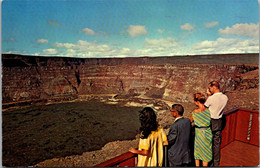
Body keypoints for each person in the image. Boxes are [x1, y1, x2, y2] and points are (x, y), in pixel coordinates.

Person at [205, 81, 228, 166]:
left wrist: (208, 96)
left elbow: (205, 107)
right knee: (217, 144)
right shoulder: (225, 97)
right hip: (219, 122)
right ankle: (216, 163)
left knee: (208, 143)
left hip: (211, 121)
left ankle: (209, 162)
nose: (209, 90)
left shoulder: (211, 98)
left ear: (214, 87)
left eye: (210, 88)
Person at [190, 93, 212, 167]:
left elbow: (189, 122)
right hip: (208, 132)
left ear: (197, 102)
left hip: (199, 134)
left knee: (198, 151)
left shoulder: (195, 112)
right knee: (206, 151)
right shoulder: (208, 110)